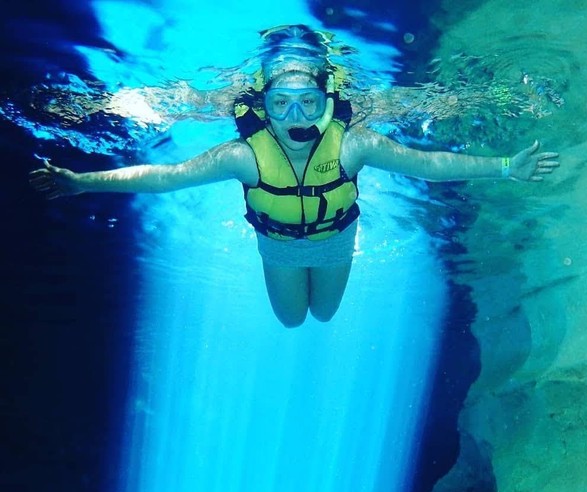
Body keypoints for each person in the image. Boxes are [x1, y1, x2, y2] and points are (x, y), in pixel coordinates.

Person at [29, 25, 560, 328]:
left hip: (336, 242)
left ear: (329, 104)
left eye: (309, 102)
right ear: (263, 107)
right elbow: (166, 176)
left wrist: (507, 167)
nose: (297, 117)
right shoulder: (244, 155)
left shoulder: (356, 144)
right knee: (291, 320)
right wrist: (84, 182)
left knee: (324, 315)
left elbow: (429, 165)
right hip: (278, 248)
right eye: (281, 104)